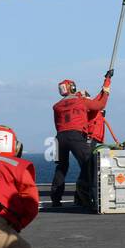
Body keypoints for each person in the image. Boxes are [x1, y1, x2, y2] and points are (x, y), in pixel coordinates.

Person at [50, 73, 112, 208]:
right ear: (72, 88)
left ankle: (55, 199)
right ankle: (86, 196)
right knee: (88, 164)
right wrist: (106, 86)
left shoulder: (57, 106)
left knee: (61, 168)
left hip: (59, 137)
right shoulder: (81, 101)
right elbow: (100, 105)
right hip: (75, 136)